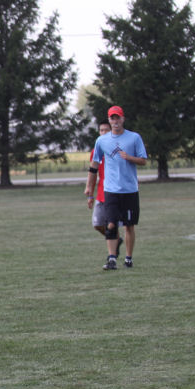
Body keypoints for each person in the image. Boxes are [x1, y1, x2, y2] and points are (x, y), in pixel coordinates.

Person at [86, 105, 147, 270]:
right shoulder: (102, 141)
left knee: (129, 225)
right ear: (109, 120)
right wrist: (89, 187)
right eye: (112, 118)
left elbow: (143, 160)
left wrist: (130, 158)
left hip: (130, 189)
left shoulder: (134, 138)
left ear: (123, 119)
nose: (115, 121)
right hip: (110, 189)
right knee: (110, 224)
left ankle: (128, 258)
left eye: (117, 117)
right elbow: (94, 164)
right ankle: (112, 259)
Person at [84, 121, 122, 257]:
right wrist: (90, 192)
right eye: (101, 130)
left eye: (106, 130)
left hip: (115, 192)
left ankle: (113, 253)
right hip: (101, 193)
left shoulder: (117, 149)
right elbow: (93, 173)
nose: (104, 132)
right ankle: (117, 239)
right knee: (97, 224)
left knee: (112, 224)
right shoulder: (96, 151)